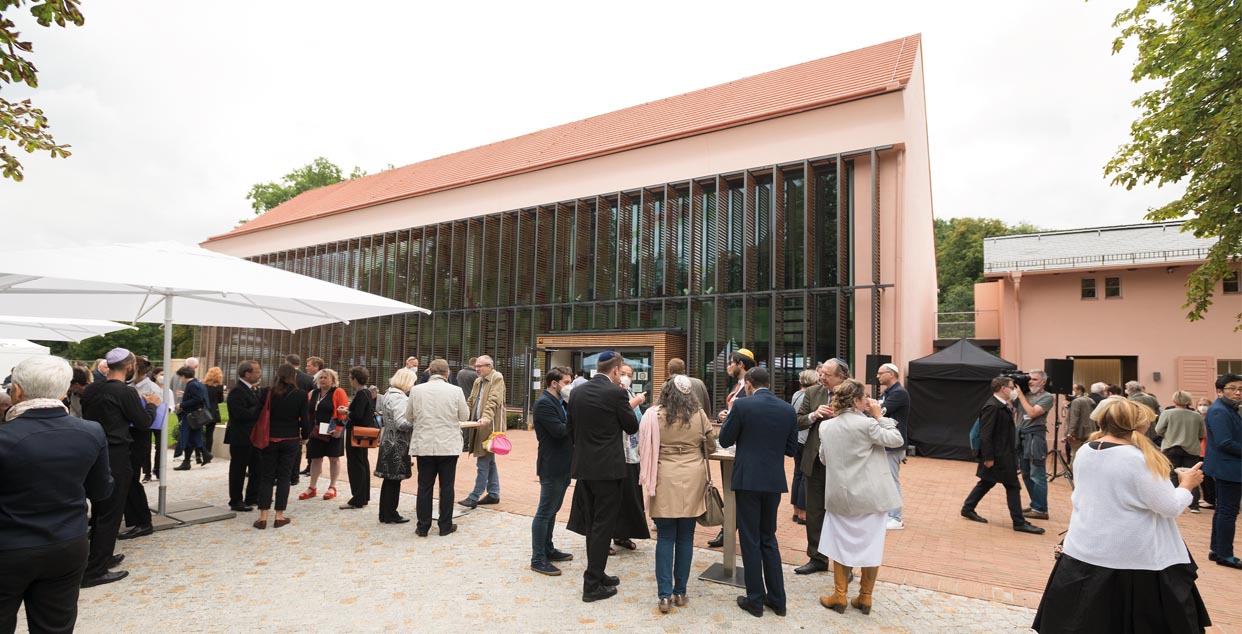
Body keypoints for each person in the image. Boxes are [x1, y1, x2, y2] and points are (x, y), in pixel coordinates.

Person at [1032, 398, 1211, 632]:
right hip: (1132, 558)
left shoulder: (1086, 450)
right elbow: (1169, 506)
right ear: (1138, 426)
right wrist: (1187, 485)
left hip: (1086, 547)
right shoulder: (1138, 459)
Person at [0, 356, 114, 633]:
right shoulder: (90, 431)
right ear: (64, 391)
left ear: (17, 391)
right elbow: (101, 490)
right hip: (66, 543)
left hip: (9, 547)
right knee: (55, 627)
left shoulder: (7, 436)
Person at [817, 379, 904, 615]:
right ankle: (865, 596)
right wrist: (879, 416)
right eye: (865, 397)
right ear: (856, 400)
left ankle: (840, 595)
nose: (868, 401)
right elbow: (897, 440)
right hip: (870, 496)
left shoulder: (826, 426)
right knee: (871, 544)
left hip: (840, 496)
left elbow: (824, 458)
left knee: (840, 543)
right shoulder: (868, 424)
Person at [719, 367, 798, 618]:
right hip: (773, 480)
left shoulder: (742, 406)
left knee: (750, 539)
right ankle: (778, 599)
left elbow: (724, 439)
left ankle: (755, 599)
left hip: (747, 479)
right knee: (768, 538)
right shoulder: (787, 409)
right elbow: (791, 449)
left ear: (750, 384)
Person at [80, 348, 159, 587]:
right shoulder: (125, 392)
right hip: (116, 454)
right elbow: (144, 423)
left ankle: (99, 556)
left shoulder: (91, 389)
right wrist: (152, 405)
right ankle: (95, 570)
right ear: (129, 367)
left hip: (94, 452)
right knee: (111, 512)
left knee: (100, 508)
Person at [637, 374, 716, 613]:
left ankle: (663, 596)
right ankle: (680, 592)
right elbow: (710, 446)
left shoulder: (654, 415)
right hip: (693, 477)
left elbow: (643, 445)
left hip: (663, 477)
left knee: (665, 537)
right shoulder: (699, 414)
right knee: (686, 538)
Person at [567, 351, 639, 602]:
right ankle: (592, 585)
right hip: (608, 469)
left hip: (585, 467)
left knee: (593, 524)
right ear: (616, 371)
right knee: (602, 525)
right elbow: (632, 426)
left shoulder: (577, 392)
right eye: (621, 373)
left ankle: (598, 573)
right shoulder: (616, 393)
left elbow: (570, 429)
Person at [960, 376, 1046, 535]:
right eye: (1012, 387)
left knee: (986, 482)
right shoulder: (992, 407)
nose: (1014, 390)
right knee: (1013, 486)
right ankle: (1019, 522)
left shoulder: (1001, 406)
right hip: (999, 456)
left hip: (1003, 453)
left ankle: (967, 508)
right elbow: (985, 435)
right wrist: (988, 457)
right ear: (1003, 388)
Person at [794, 359, 849, 575]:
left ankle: (845, 564)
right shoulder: (813, 392)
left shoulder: (853, 392)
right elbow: (797, 420)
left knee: (841, 515)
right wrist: (814, 415)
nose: (822, 378)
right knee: (815, 512)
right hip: (814, 461)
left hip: (841, 464)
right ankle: (817, 558)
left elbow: (862, 421)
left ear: (841, 376)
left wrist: (841, 416)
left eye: (827, 374)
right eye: (821, 373)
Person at [405, 359, 468, 536]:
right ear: (447, 374)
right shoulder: (456, 391)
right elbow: (464, 415)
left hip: (424, 444)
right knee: (447, 487)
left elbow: (408, 417)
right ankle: (445, 525)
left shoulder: (416, 390)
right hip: (448, 445)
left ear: (429, 372)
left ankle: (423, 526)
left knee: (424, 486)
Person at [530, 367, 576, 576]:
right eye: (566, 382)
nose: (569, 386)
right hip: (551, 464)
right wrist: (577, 418)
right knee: (545, 511)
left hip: (565, 463)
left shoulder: (561, 402)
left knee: (553, 509)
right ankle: (538, 558)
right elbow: (559, 431)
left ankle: (548, 548)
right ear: (554, 383)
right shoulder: (544, 404)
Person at [708, 348, 756, 548]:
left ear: (741, 364)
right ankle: (727, 529)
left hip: (740, 446)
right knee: (731, 487)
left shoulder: (749, 388)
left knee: (735, 489)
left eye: (730, 362)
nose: (728, 366)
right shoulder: (739, 386)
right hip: (732, 444)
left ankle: (729, 530)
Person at [253, 363, 308, 529]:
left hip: (269, 439)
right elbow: (305, 420)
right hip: (290, 439)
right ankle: (279, 515)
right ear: (294, 376)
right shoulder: (300, 394)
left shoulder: (267, 392)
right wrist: (304, 437)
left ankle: (263, 517)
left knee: (267, 477)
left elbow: (257, 415)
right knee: (284, 477)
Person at [1204, 373, 1242, 569]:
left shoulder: (1227, 408)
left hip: (1227, 466)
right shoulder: (1220, 411)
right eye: (1232, 388)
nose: (1237, 393)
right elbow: (1225, 442)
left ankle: (1217, 550)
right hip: (1228, 467)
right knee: (1228, 512)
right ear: (1219, 391)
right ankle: (1225, 554)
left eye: (1240, 389)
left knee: (1222, 511)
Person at [459, 355, 506, 508]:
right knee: (489, 460)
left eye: (480, 366)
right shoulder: (478, 380)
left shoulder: (496, 378)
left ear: (489, 366)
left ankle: (475, 495)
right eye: (476, 366)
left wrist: (486, 418)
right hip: (478, 425)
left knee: (483, 460)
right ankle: (493, 493)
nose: (477, 369)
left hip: (489, 427)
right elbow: (471, 400)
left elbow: (494, 400)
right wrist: (460, 413)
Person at [613, 363, 650, 552]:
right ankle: (610, 535)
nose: (626, 377)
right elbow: (621, 414)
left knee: (631, 497)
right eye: (623, 373)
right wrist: (636, 401)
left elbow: (638, 419)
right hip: (618, 452)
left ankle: (623, 534)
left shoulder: (629, 391)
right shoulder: (614, 393)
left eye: (629, 374)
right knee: (616, 497)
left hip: (633, 452)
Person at [375, 368, 418, 524]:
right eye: (412, 382)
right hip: (397, 443)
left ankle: (385, 513)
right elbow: (402, 423)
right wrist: (417, 422)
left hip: (388, 440)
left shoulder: (389, 394)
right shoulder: (399, 398)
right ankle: (391, 513)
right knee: (394, 480)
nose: (413, 385)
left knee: (389, 480)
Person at [300, 368, 348, 501]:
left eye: (326, 377)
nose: (322, 380)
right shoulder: (313, 393)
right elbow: (307, 412)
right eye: (320, 377)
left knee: (334, 458)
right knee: (315, 458)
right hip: (315, 430)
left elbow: (343, 412)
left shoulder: (338, 392)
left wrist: (339, 429)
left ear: (332, 380)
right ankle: (312, 487)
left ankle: (332, 486)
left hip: (332, 429)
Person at [1155, 390, 1206, 513]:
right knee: (1192, 474)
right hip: (1191, 448)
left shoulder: (1167, 413)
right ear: (1188, 401)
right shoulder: (1196, 415)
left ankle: (1173, 501)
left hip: (1171, 447)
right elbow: (1202, 433)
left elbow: (1158, 430)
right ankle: (1194, 505)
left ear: (1174, 400)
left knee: (1171, 474)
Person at [224, 360, 264, 512]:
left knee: (257, 467)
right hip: (240, 436)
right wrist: (258, 409)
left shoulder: (255, 389)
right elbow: (239, 414)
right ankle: (236, 500)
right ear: (247, 374)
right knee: (238, 469)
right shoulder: (237, 391)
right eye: (257, 371)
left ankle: (253, 496)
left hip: (255, 436)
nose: (259, 374)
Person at [1014, 369, 1054, 520]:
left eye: (1035, 379)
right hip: (1021, 436)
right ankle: (1035, 505)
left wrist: (1020, 396)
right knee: (1025, 473)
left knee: (1037, 474)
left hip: (1035, 437)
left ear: (1043, 382)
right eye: (1029, 379)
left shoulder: (1047, 397)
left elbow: (1032, 413)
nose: (1030, 381)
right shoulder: (1026, 394)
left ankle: (1041, 509)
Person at [876, 362, 909, 530]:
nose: (878, 376)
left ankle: (896, 517)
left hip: (893, 444)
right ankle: (889, 514)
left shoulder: (898, 393)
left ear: (891, 374)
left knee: (891, 481)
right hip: (888, 442)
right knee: (886, 479)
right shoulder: (889, 392)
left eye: (881, 373)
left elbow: (879, 411)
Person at [340, 366, 376, 510]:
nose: (349, 380)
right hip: (364, 432)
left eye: (350, 377)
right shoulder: (367, 392)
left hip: (356, 432)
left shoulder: (361, 394)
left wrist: (346, 411)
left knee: (356, 465)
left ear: (355, 378)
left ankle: (357, 498)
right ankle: (363, 496)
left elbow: (358, 415)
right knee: (362, 463)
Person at [789, 369, 817, 526]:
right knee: (805, 476)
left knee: (797, 474)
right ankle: (803, 514)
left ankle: (795, 511)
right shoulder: (808, 396)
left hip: (797, 439)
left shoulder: (795, 395)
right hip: (806, 439)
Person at [172, 365, 209, 471]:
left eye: (180, 377)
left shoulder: (191, 385)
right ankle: (202, 456)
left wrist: (182, 405)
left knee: (188, 437)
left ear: (184, 376)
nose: (180, 379)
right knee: (193, 437)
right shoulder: (198, 383)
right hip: (196, 415)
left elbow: (197, 399)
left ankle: (189, 461)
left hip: (191, 416)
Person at [1066, 381, 1100, 459]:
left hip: (1078, 432)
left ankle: (1073, 470)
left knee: (1074, 454)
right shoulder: (1090, 399)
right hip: (1089, 429)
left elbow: (1074, 418)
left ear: (1079, 390)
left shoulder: (1076, 401)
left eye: (1073, 389)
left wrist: (1070, 432)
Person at [201, 366, 225, 465]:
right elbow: (220, 400)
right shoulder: (219, 387)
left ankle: (200, 454)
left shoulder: (203, 385)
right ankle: (208, 453)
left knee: (199, 433)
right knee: (209, 434)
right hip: (213, 412)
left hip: (203, 411)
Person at [1197, 396, 1217, 508]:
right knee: (1202, 477)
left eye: (1205, 404)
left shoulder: (1211, 418)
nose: (1202, 407)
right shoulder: (1197, 418)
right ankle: (1206, 497)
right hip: (1199, 450)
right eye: (1200, 404)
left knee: (1208, 477)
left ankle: (1210, 500)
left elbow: (1204, 434)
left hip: (1207, 451)